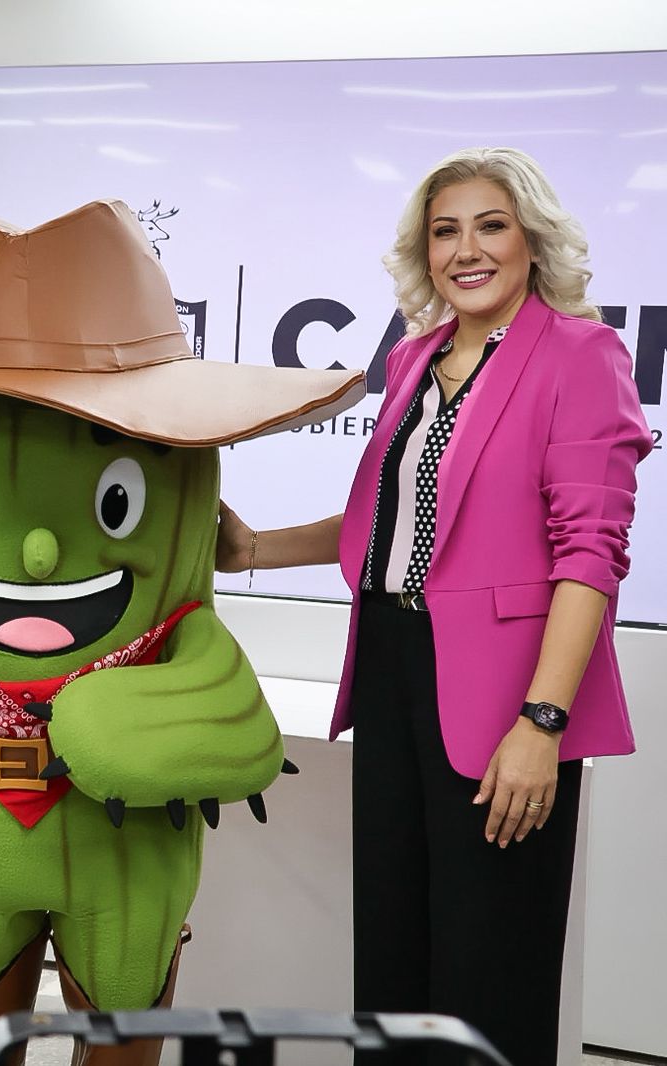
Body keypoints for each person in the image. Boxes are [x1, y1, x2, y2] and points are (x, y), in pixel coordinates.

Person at [218, 147, 650, 1066]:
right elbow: (386, 519)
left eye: (491, 226)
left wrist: (543, 721)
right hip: (391, 668)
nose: (467, 249)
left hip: (507, 692)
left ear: (532, 240)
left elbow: (591, 556)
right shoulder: (416, 358)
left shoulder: (582, 354)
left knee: (490, 969)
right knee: (392, 951)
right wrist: (253, 550)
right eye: (445, 231)